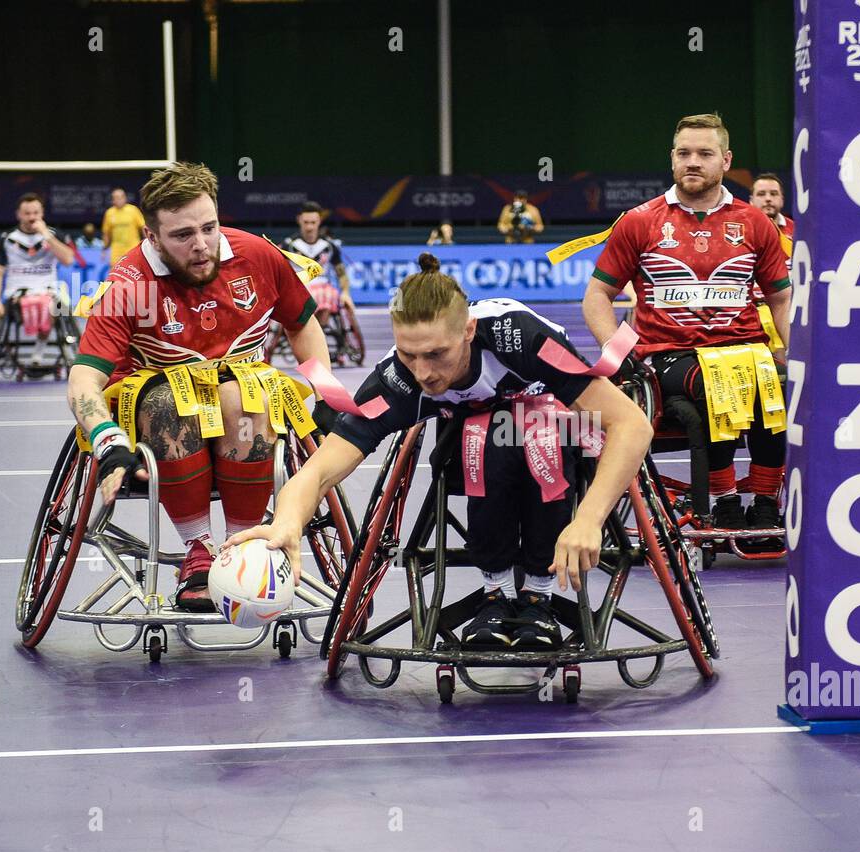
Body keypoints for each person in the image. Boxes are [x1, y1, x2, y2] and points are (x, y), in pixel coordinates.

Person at [229, 253, 654, 649]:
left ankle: (538, 597)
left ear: (468, 330)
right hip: (472, 449)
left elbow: (631, 424)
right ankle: (497, 591)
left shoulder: (520, 338)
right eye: (410, 355)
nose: (424, 373)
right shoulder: (399, 379)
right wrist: (287, 520)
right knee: (486, 433)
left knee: (524, 427)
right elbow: (318, 471)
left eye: (436, 354)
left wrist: (590, 520)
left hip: (555, 441)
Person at [68, 162, 334, 612]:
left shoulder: (258, 256)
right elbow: (83, 379)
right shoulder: (128, 284)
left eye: (208, 227)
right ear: (151, 236)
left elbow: (302, 324)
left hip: (244, 409)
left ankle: (240, 546)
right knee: (172, 400)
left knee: (244, 397)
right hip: (160, 413)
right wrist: (107, 440)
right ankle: (198, 548)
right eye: (182, 235)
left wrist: (327, 396)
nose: (201, 245)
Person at [581, 112, 792, 532]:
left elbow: (781, 298)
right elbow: (597, 296)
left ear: (726, 161)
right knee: (717, 381)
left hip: (747, 353)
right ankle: (725, 500)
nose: (692, 161)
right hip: (668, 357)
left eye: (704, 153)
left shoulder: (754, 223)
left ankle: (766, 501)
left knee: (779, 385)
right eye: (684, 153)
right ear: (672, 159)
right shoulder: (640, 221)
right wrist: (620, 353)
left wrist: (801, 358)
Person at [0, 193, 76, 363]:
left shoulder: (53, 234)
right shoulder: (7, 239)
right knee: (34, 303)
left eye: (35, 213)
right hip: (18, 294)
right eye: (27, 213)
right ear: (19, 215)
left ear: (42, 213)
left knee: (52, 305)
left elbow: (68, 259)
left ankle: (38, 351)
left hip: (48, 291)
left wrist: (46, 235)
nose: (31, 217)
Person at [281, 201, 356, 326]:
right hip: (299, 286)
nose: (309, 227)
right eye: (306, 222)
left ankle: (317, 330)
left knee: (328, 295)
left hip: (323, 287)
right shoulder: (288, 245)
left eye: (313, 222)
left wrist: (346, 293)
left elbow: (341, 273)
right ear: (299, 220)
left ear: (319, 221)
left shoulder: (330, 246)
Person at [101, 187, 146, 272]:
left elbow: (143, 227)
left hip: (132, 248)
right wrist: (104, 249)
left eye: (121, 197)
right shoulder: (109, 213)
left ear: (125, 198)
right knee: (115, 274)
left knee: (135, 272)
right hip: (116, 250)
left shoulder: (133, 210)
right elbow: (106, 233)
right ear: (113, 200)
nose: (119, 200)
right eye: (116, 198)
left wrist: (147, 242)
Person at [750, 173, 794, 241]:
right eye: (761, 194)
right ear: (751, 201)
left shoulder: (796, 230)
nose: (768, 198)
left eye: (773, 194)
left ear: (782, 200)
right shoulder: (743, 228)